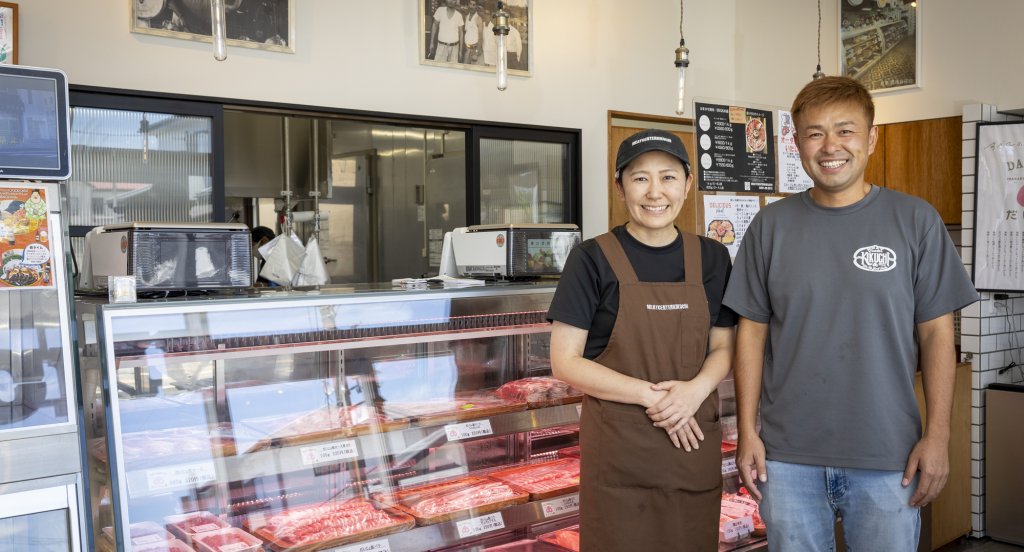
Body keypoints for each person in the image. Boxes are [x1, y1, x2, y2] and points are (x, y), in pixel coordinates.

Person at [723, 76, 979, 551]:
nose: (830, 146)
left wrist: (938, 437)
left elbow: (938, 336)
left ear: (871, 138)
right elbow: (751, 334)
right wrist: (746, 432)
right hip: (787, 457)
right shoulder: (770, 227)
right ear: (797, 142)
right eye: (814, 133)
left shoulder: (915, 220)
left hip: (888, 455)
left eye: (845, 130)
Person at [548, 129, 737, 551]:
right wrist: (655, 397)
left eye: (668, 177)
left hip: (690, 449)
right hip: (619, 458)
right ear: (620, 187)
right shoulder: (591, 258)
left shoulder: (712, 258)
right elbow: (565, 361)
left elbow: (724, 346)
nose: (655, 192)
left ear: (688, 185)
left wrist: (694, 391)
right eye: (640, 178)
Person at [462, 0, 483, 64]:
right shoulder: (466, 17)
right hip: (467, 48)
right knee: (464, 69)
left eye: (474, 5)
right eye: (470, 4)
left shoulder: (478, 18)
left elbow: (480, 36)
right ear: (468, 5)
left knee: (473, 71)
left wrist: (477, 52)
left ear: (476, 6)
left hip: (474, 49)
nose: (472, 6)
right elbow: (465, 32)